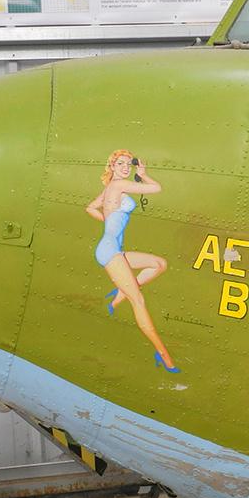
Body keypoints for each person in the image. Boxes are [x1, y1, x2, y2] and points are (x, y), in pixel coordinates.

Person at [86, 150, 178, 373]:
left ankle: (119, 294)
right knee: (139, 302)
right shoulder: (118, 186)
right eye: (121, 163)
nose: (127, 167)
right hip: (110, 251)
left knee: (158, 264)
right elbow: (156, 188)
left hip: (114, 247)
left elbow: (90, 208)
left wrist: (109, 221)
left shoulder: (110, 188)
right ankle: (163, 354)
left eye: (129, 163)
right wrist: (143, 174)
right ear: (112, 166)